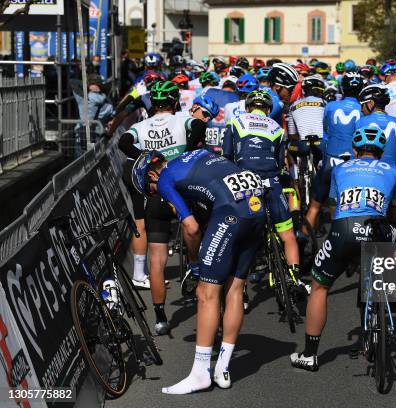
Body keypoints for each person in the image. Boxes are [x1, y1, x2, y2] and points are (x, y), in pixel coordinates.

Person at [131, 149, 265, 394]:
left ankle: (200, 374)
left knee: (206, 292)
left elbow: (191, 228)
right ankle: (222, 369)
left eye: (151, 191)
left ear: (152, 174)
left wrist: (194, 262)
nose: (157, 196)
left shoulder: (164, 178)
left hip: (231, 212)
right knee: (235, 288)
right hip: (256, 206)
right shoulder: (195, 155)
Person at [290, 126, 396, 371]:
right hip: (378, 228)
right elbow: (395, 208)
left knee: (319, 287)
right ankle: (394, 290)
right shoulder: (392, 169)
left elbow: (332, 208)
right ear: (381, 152)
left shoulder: (340, 168)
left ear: (354, 149)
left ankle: (310, 355)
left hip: (345, 229)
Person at [118, 80, 207, 334]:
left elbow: (123, 143)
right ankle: (193, 264)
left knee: (156, 261)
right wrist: (187, 149)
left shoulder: (141, 126)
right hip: (181, 189)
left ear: (153, 104)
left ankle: (160, 317)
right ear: (174, 101)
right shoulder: (181, 119)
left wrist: (147, 157)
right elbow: (200, 125)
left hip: (156, 195)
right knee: (194, 230)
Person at [222, 90, 302, 284]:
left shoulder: (235, 122)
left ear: (248, 107)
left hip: (244, 180)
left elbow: (226, 155)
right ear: (268, 109)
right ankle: (295, 278)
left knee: (238, 236)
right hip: (271, 181)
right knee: (288, 235)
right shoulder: (277, 128)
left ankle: (237, 285)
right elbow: (279, 161)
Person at [304, 72, 365, 235]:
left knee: (315, 206)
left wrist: (325, 155)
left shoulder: (330, 106)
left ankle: (302, 241)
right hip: (354, 164)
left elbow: (323, 133)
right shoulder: (363, 109)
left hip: (331, 162)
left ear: (342, 88)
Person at [356, 84, 396, 172]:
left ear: (371, 103)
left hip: (369, 174)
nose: (361, 109)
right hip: (393, 175)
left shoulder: (361, 122)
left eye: (362, 105)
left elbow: (354, 155)